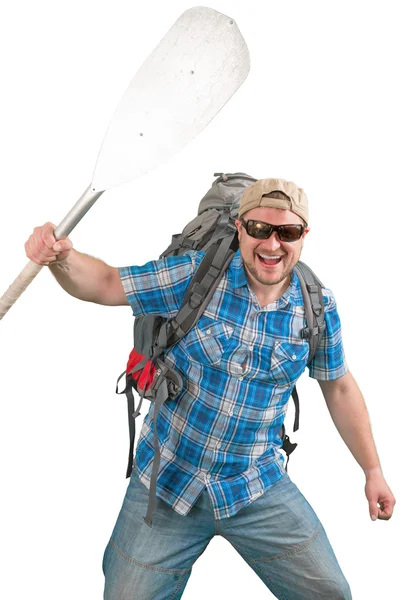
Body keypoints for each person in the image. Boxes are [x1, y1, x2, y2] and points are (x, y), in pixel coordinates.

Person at [25, 178, 395, 600]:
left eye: (286, 233)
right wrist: (62, 259)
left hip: (254, 483)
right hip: (166, 481)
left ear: (303, 237)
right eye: (259, 229)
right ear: (240, 227)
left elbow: (340, 387)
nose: (272, 244)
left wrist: (373, 471)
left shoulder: (316, 307)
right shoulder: (196, 275)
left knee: (331, 594)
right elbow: (108, 283)